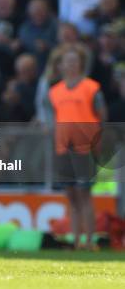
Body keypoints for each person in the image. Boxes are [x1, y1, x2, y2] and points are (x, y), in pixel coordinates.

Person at [49, 44, 106, 250]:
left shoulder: (91, 87)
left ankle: (90, 241)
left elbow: (101, 116)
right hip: (63, 148)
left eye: (75, 61)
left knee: (85, 195)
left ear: (81, 63)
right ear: (61, 65)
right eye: (68, 61)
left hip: (85, 148)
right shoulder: (55, 91)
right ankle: (76, 240)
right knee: (71, 196)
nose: (71, 65)